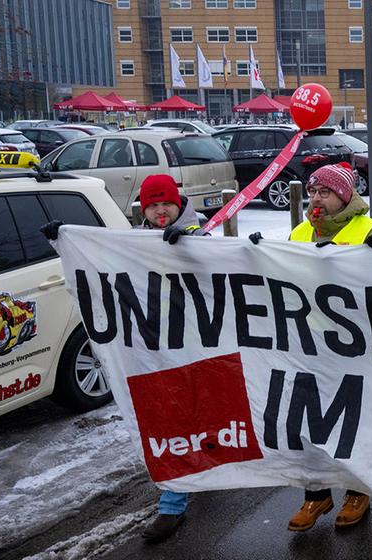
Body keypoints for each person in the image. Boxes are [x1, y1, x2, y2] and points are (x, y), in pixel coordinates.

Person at [282, 164, 372, 532]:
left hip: (354, 346)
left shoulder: (367, 229)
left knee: (354, 421)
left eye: (323, 192)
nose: (316, 199)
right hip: (308, 342)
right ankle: (316, 494)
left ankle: (358, 491)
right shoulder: (299, 231)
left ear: (342, 196)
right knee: (307, 419)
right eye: (312, 192)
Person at [117, 174, 207, 543]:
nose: (160, 211)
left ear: (178, 203)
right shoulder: (137, 239)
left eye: (166, 204)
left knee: (203, 416)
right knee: (172, 422)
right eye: (152, 205)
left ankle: (205, 473)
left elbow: (218, 271)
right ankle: (173, 505)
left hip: (201, 345)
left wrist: (189, 246)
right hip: (158, 347)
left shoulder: (202, 232)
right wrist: (64, 238)